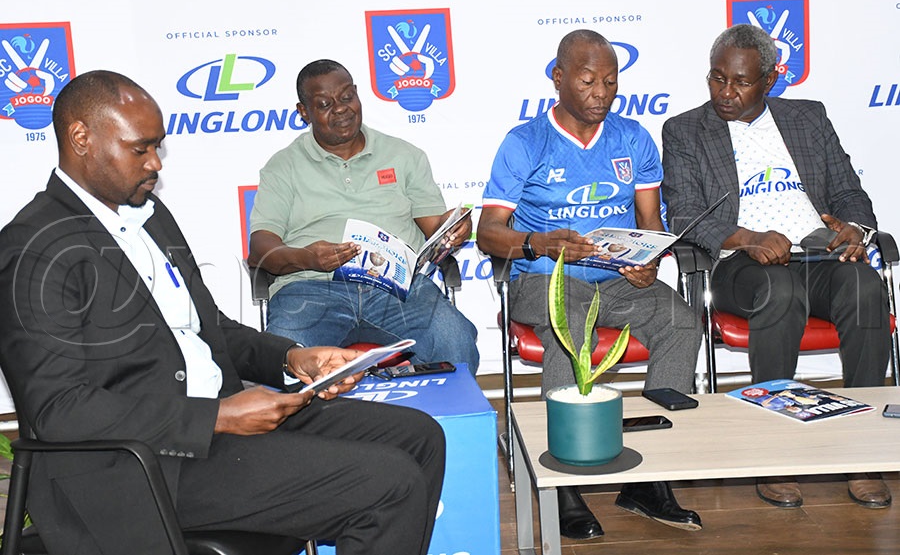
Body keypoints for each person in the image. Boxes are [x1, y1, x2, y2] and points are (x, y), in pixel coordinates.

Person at [0, 70, 446, 555]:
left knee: (419, 436)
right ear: (81, 137)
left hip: (216, 425)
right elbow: (57, 411)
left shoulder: (149, 215)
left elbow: (210, 329)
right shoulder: (33, 248)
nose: (155, 165)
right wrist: (214, 417)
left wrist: (294, 359)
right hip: (137, 465)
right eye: (140, 149)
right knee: (389, 483)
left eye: (158, 148)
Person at [477, 29, 703, 540]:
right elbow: (488, 233)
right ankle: (565, 480)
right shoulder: (524, 142)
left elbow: (649, 221)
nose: (601, 92)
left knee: (681, 320)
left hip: (616, 278)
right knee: (571, 313)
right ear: (558, 79)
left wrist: (651, 258)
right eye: (587, 80)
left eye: (610, 81)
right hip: (542, 277)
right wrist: (539, 243)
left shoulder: (632, 138)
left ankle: (652, 476)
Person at [661, 23, 891, 510]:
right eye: (717, 78)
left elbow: (850, 192)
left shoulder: (808, 118)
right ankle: (775, 451)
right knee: (779, 290)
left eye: (740, 82)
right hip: (738, 264)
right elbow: (684, 216)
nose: (726, 92)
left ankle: (864, 452)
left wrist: (855, 228)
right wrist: (748, 238)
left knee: (866, 285)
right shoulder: (684, 130)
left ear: (769, 80)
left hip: (817, 254)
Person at [248, 59, 479, 375]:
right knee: (286, 360)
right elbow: (261, 247)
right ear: (304, 112)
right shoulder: (282, 167)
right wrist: (307, 258)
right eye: (325, 104)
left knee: (455, 343)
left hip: (398, 288)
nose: (341, 109)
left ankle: (442, 426)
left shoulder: (404, 155)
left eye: (346, 97)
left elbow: (433, 227)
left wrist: (452, 227)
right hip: (310, 290)